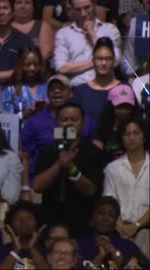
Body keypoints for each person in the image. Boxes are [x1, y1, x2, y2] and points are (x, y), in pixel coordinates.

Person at [34, 102, 105, 237]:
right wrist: (59, 164)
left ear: (82, 123)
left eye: (74, 120)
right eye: (64, 120)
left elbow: (91, 190)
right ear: (57, 123)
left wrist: (71, 167)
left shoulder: (93, 152)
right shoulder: (47, 151)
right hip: (51, 218)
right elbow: (37, 186)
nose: (68, 124)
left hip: (81, 220)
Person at [20, 75, 95, 201]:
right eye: (52, 89)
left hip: (78, 183)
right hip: (43, 182)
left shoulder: (85, 120)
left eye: (61, 88)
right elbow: (24, 157)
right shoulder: (34, 121)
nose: (56, 91)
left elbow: (93, 149)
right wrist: (26, 188)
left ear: (71, 92)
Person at [104, 118, 149, 259]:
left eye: (136, 133)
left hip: (146, 229)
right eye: (127, 134)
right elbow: (109, 201)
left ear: (144, 136)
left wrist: (135, 226)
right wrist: (122, 227)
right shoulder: (112, 168)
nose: (132, 137)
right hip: (119, 230)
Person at [53, 0, 121, 86]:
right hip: (76, 88)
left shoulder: (110, 30)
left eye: (87, 8)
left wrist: (92, 34)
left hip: (106, 86)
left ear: (94, 4)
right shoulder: (63, 34)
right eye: (78, 9)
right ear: (72, 9)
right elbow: (61, 68)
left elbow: (115, 61)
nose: (83, 14)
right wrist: (96, 61)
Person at [78, 196, 141, 269]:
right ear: (92, 218)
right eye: (101, 213)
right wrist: (100, 256)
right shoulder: (79, 245)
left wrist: (112, 250)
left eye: (111, 215)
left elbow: (127, 265)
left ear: (116, 221)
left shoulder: (129, 247)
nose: (105, 218)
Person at [72, 37, 122, 124]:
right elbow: (71, 124)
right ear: (93, 61)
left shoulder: (123, 88)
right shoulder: (81, 91)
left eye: (108, 59)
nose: (103, 63)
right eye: (99, 59)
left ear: (113, 62)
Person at [93, 84, 140, 165]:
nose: (124, 111)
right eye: (120, 107)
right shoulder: (102, 128)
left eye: (128, 107)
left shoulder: (140, 129)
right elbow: (96, 152)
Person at [0, 201, 48, 269]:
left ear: (37, 223)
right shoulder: (3, 251)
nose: (23, 221)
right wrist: (15, 250)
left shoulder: (45, 251)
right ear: (10, 225)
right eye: (18, 218)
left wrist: (33, 249)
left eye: (28, 218)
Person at [0, 45, 48, 118]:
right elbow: (7, 119)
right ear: (21, 65)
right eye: (28, 65)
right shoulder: (10, 92)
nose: (32, 68)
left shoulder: (48, 88)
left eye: (36, 64)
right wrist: (24, 114)